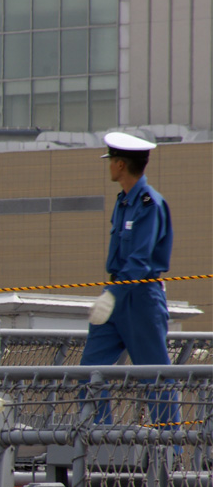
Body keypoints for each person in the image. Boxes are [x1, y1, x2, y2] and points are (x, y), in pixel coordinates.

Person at [81, 132, 179, 426]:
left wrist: (111, 296)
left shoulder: (150, 204)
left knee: (155, 376)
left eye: (111, 160)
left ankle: (169, 448)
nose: (109, 165)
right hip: (118, 291)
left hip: (140, 297)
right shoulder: (124, 201)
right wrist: (111, 294)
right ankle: (100, 441)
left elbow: (140, 259)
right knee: (91, 371)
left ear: (120, 164)